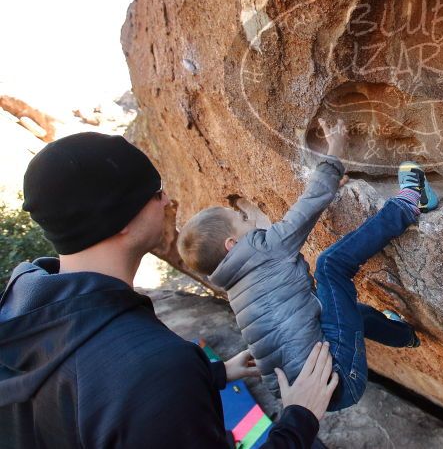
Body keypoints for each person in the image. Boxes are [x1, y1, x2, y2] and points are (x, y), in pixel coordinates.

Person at [0, 131, 336, 449]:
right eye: (156, 191)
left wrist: (213, 372)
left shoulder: (21, 307)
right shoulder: (155, 368)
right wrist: (300, 418)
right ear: (120, 221)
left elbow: (81, 394)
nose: (167, 201)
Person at [177, 118, 438, 411]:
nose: (250, 220)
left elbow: (299, 232)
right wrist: (334, 154)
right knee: (330, 266)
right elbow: (306, 207)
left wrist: (331, 188)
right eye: (242, 221)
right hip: (337, 377)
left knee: (342, 310)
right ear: (231, 245)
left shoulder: (236, 288)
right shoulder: (260, 250)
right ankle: (409, 203)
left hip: (316, 396)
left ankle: (405, 336)